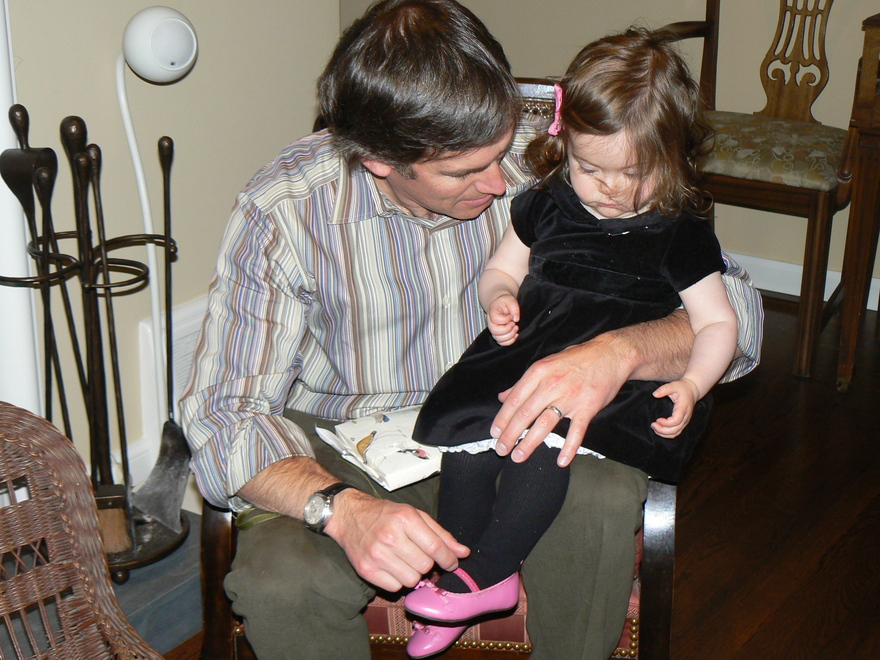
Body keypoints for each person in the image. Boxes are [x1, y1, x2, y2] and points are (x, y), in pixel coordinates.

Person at [179, 2, 763, 659]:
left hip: (526, 423)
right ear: (380, 159)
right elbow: (222, 413)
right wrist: (337, 508)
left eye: (500, 150)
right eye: (462, 171)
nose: (499, 182)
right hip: (349, 440)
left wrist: (619, 352)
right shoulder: (285, 210)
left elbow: (739, 315)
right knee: (282, 584)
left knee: (598, 500)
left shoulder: (564, 154)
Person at [403, 28, 739, 657]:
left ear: (672, 159)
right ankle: (458, 576)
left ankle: (489, 574)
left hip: (614, 386)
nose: (609, 188)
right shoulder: (546, 204)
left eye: (633, 173)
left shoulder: (679, 232)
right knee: (470, 445)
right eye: (589, 169)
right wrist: (499, 299)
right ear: (563, 146)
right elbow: (501, 269)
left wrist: (694, 383)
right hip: (527, 358)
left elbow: (718, 323)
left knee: (540, 451)